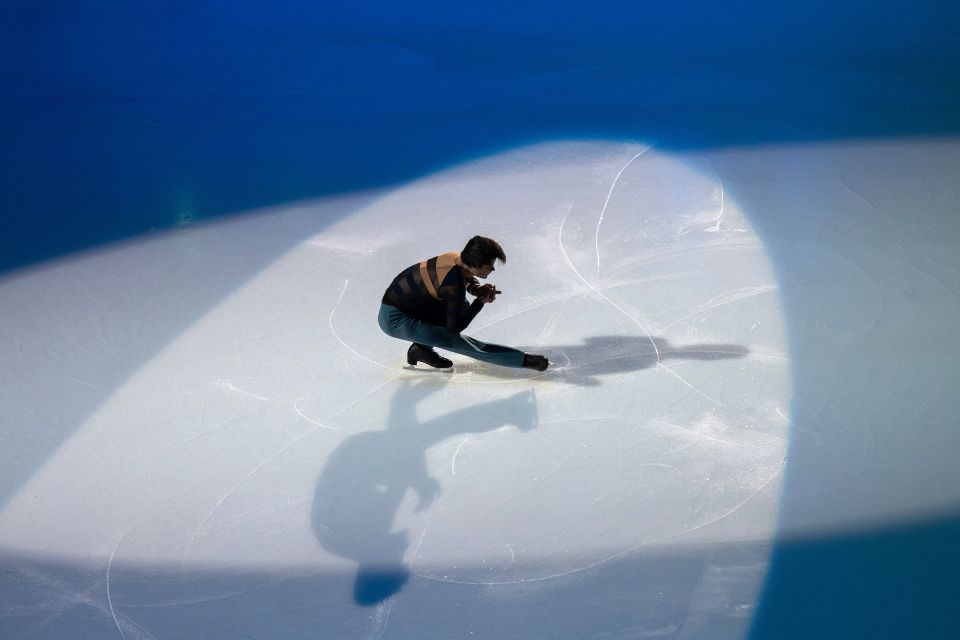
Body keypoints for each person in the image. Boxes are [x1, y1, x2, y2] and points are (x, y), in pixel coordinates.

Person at [378, 236, 549, 371]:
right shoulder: (453, 288)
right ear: (474, 265)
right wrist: (480, 302)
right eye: (489, 265)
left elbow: (459, 279)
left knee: (462, 306)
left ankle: (421, 350)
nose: (492, 269)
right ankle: (523, 360)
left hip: (412, 306)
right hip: (395, 320)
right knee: (454, 340)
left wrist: (476, 289)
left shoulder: (456, 258)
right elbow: (454, 330)